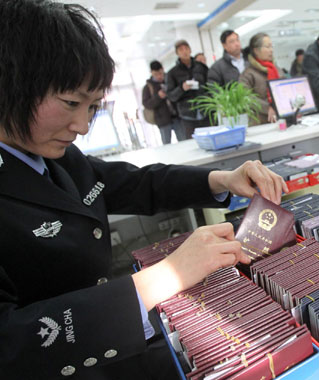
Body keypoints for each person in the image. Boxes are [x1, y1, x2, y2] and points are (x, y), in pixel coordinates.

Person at [0, 1, 288, 379]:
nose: (82, 127)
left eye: (92, 107)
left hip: (120, 344)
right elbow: (9, 342)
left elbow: (137, 183)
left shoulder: (55, 156)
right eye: (71, 103)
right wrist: (164, 277)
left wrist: (221, 179)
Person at [166, 40, 209, 139]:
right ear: (177, 53)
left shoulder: (201, 67)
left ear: (190, 50)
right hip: (187, 116)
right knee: (193, 143)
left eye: (186, 49)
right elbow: (171, 96)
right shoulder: (172, 73)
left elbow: (210, 85)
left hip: (206, 112)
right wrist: (182, 88)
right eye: (181, 50)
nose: (184, 51)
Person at [239, 33, 285, 126]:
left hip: (281, 119)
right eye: (267, 47)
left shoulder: (276, 69)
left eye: (272, 46)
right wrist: (268, 107)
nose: (271, 50)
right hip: (260, 123)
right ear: (256, 50)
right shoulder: (248, 74)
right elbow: (246, 97)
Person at [142, 60, 185, 144]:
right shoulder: (148, 87)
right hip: (163, 121)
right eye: (156, 74)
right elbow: (147, 104)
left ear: (163, 69)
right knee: (166, 144)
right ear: (151, 72)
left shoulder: (170, 80)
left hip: (177, 117)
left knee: (183, 141)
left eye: (161, 73)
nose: (159, 76)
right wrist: (158, 97)